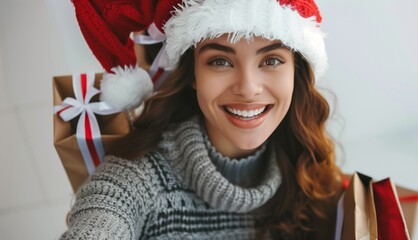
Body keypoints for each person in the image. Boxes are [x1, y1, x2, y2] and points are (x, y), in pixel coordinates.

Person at [61, 0, 342, 239]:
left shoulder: (310, 173)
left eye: (271, 61)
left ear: (296, 73)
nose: (247, 88)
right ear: (194, 75)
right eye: (220, 61)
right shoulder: (131, 180)